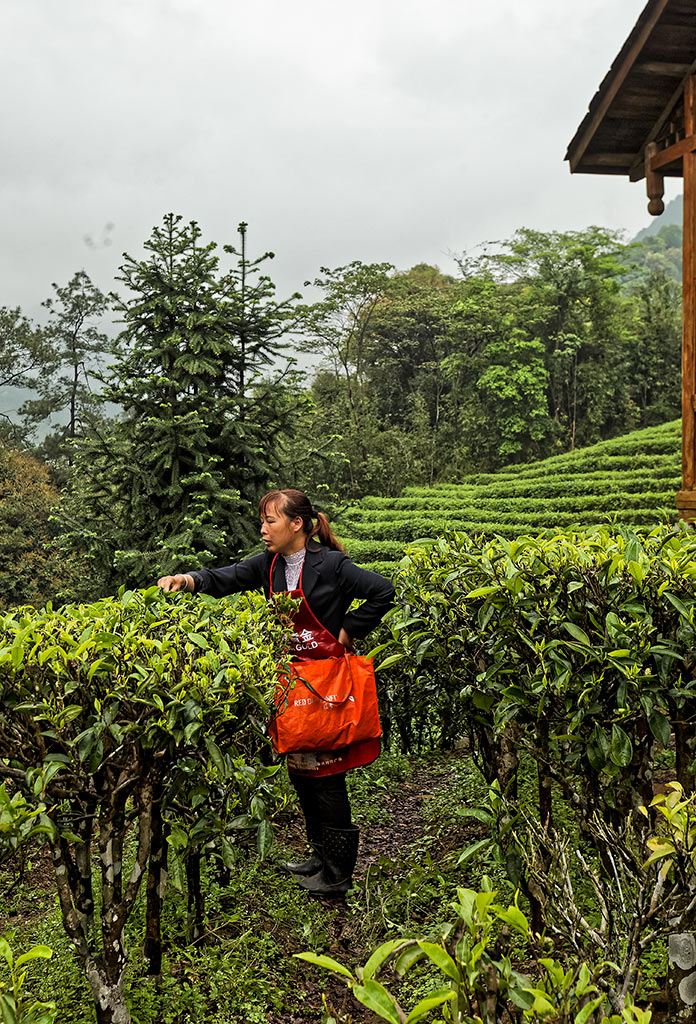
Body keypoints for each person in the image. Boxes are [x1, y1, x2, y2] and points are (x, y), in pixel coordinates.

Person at [157, 489, 395, 897]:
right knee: (302, 772)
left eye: (270, 521)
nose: (263, 529)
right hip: (291, 683)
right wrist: (188, 580)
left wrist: (349, 628)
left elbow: (383, 590)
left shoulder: (332, 564)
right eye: (263, 521)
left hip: (328, 685)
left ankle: (338, 873)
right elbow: (226, 576)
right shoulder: (269, 565)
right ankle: (319, 856)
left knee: (328, 778)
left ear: (297, 524)